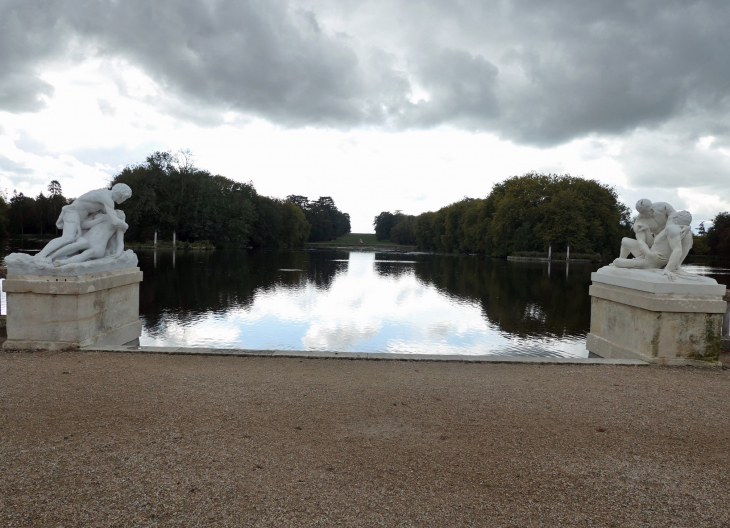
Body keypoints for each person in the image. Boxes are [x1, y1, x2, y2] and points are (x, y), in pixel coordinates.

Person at [613, 210, 693, 278]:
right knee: (624, 240)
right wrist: (647, 230)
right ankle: (633, 257)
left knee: (616, 261)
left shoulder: (671, 229)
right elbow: (652, 243)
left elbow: (678, 250)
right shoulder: (685, 231)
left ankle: (631, 260)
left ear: (675, 217)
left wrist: (668, 269)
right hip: (649, 253)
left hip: (650, 261)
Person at [50, 210, 128, 265]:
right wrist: (99, 219)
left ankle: (64, 262)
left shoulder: (119, 225)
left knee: (87, 253)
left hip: (98, 246)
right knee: (77, 245)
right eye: (119, 210)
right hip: (86, 238)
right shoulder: (100, 215)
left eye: (122, 213)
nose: (121, 211)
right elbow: (84, 225)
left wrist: (117, 254)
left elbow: (120, 242)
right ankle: (52, 257)